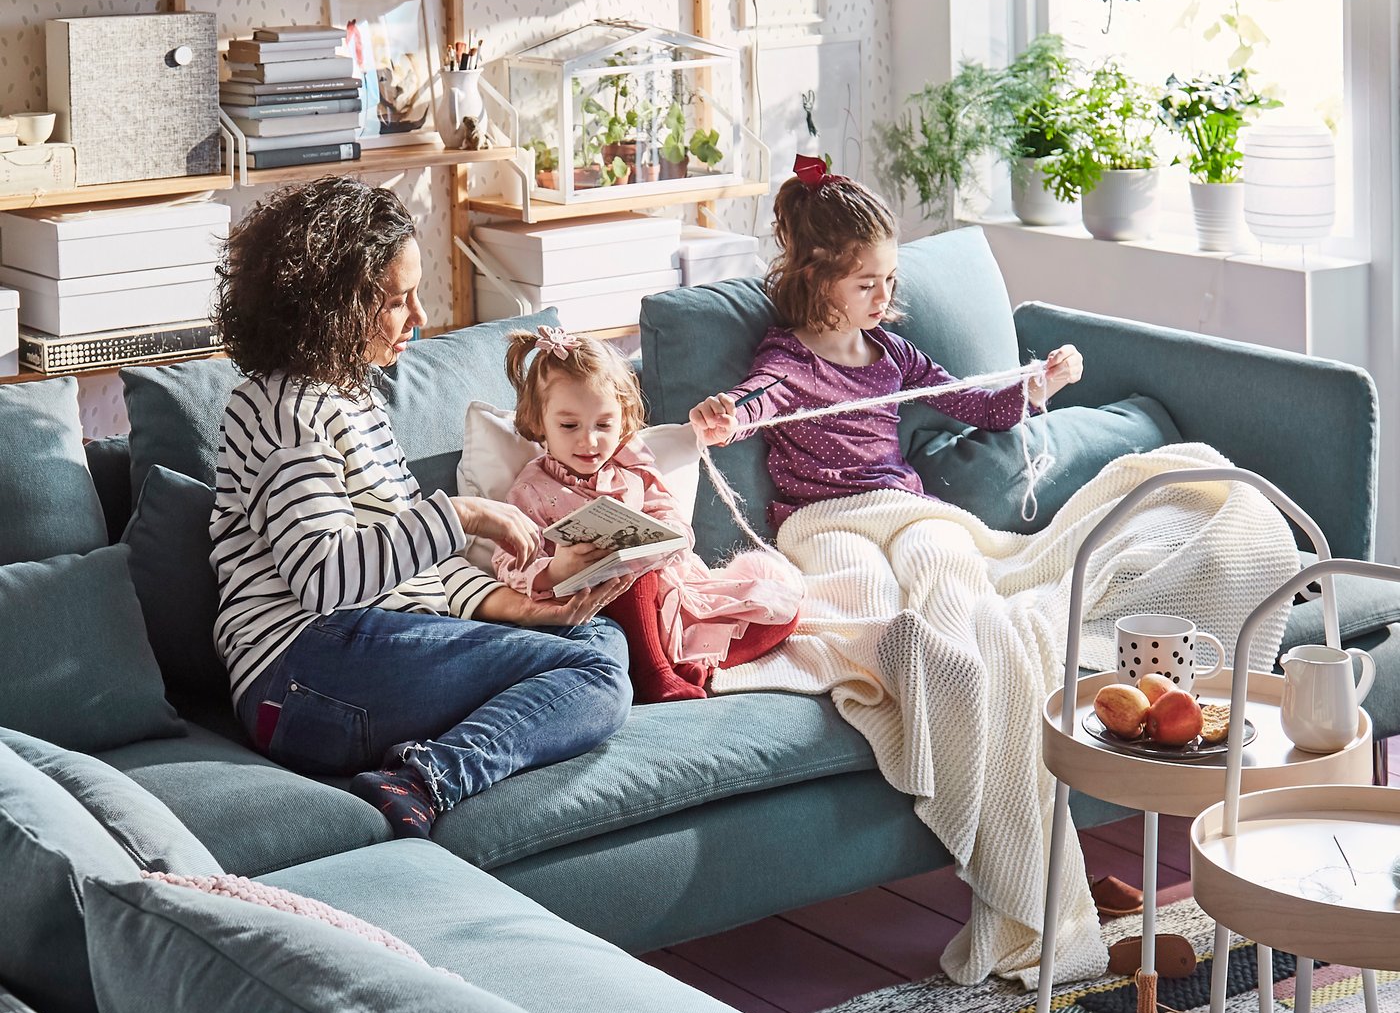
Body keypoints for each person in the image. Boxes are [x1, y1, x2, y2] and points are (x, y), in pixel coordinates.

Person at [209, 178, 634, 840]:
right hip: (299, 673)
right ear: (333, 305)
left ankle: (418, 775)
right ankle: (429, 780)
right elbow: (325, 579)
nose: (420, 317)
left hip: (368, 651)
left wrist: (515, 610)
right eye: (395, 299)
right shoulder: (281, 406)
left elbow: (417, 576)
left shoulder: (355, 400)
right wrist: (462, 516)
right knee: (591, 668)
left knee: (599, 644)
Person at [687, 157, 1084, 516]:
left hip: (899, 506)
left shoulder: (895, 355)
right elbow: (754, 401)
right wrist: (726, 418)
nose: (884, 296)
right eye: (866, 285)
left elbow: (980, 409)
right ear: (817, 279)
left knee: (951, 557)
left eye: (890, 279)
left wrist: (1039, 385)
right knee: (866, 581)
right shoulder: (790, 361)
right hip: (825, 522)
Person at [494, 325, 801, 703]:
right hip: (601, 605)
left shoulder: (633, 468)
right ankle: (655, 674)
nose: (588, 441)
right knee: (628, 572)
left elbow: (675, 524)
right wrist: (556, 569)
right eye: (569, 425)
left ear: (622, 420)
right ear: (539, 422)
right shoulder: (530, 488)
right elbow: (508, 562)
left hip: (671, 594)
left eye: (603, 425)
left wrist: (659, 539)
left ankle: (688, 668)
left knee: (784, 611)